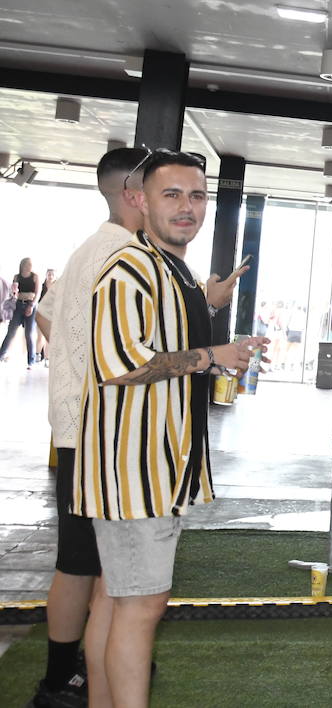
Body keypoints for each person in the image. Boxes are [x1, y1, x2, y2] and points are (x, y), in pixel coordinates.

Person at [29, 148, 250, 707]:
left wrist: (207, 311)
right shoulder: (129, 265)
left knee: (117, 597)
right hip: (133, 471)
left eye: (197, 196)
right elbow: (121, 361)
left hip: (148, 468)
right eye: (171, 194)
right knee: (139, 605)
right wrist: (210, 355)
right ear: (141, 200)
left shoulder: (162, 267)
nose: (187, 207)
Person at [0, 256, 39, 366]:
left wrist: (31, 305)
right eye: (27, 264)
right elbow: (13, 293)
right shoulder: (17, 277)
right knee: (11, 331)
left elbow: (38, 293)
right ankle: (1, 355)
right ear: (23, 265)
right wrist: (14, 293)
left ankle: (31, 361)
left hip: (30, 304)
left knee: (29, 333)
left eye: (31, 265)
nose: (29, 267)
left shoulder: (35, 276)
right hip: (18, 304)